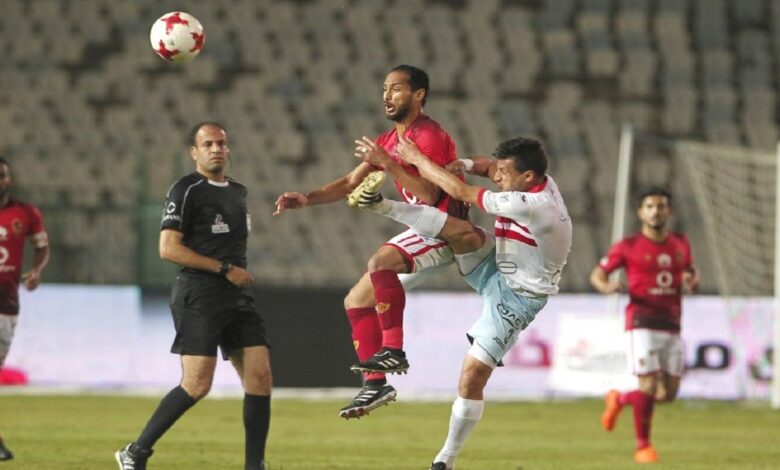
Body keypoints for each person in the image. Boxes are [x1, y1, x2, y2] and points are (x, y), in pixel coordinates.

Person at [350, 136, 572, 470]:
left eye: (505, 174)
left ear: (528, 178)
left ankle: (445, 459)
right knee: (462, 232)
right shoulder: (537, 178)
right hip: (495, 264)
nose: (497, 177)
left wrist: (410, 159)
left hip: (519, 297)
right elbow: (485, 166)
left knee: (471, 377)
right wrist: (465, 164)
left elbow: (461, 193)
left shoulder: (533, 205)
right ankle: (380, 207)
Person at [273, 65, 468, 419]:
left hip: (446, 227)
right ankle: (376, 384)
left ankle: (393, 350)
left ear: (418, 94)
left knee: (380, 262)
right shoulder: (389, 140)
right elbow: (349, 182)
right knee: (356, 300)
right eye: (384, 89)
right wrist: (306, 197)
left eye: (396, 88)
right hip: (423, 227)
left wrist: (387, 165)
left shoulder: (429, 136)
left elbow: (427, 193)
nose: (386, 96)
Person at [116, 122, 272, 470]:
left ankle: (254, 465)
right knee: (197, 384)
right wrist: (222, 268)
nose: (216, 149)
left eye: (221, 143)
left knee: (260, 377)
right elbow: (168, 248)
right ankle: (135, 452)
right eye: (208, 144)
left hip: (237, 297)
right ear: (194, 152)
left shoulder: (238, 192)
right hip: (199, 294)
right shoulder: (186, 190)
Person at [589, 187, 699, 464]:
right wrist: (607, 286)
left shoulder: (681, 243)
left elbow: (689, 270)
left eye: (661, 206)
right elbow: (597, 274)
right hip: (641, 322)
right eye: (649, 206)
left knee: (667, 394)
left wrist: (691, 281)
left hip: (673, 324)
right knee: (648, 386)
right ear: (640, 212)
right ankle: (643, 446)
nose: (655, 211)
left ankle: (620, 399)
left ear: (669, 211)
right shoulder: (628, 245)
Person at [0, 157, 50, 462]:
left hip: (5, 306)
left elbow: (41, 246)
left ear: (9, 179)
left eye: (2, 175)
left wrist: (35, 271)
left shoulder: (25, 213)